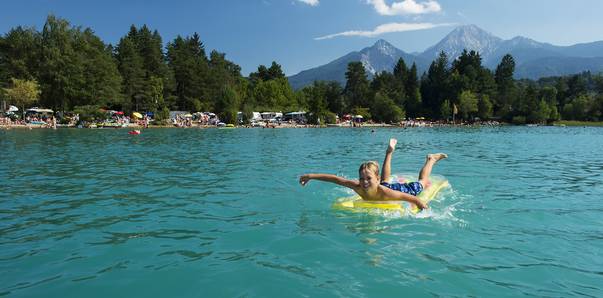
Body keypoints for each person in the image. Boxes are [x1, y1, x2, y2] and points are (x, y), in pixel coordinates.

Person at [299, 138, 447, 210]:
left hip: (398, 190)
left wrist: (426, 211)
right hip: (382, 186)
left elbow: (413, 199)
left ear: (376, 178)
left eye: (368, 178)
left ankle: (431, 159)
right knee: (385, 181)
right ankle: (389, 152)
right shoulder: (358, 186)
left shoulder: (386, 191)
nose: (364, 182)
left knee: (421, 182)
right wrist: (310, 176)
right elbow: (335, 179)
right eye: (361, 178)